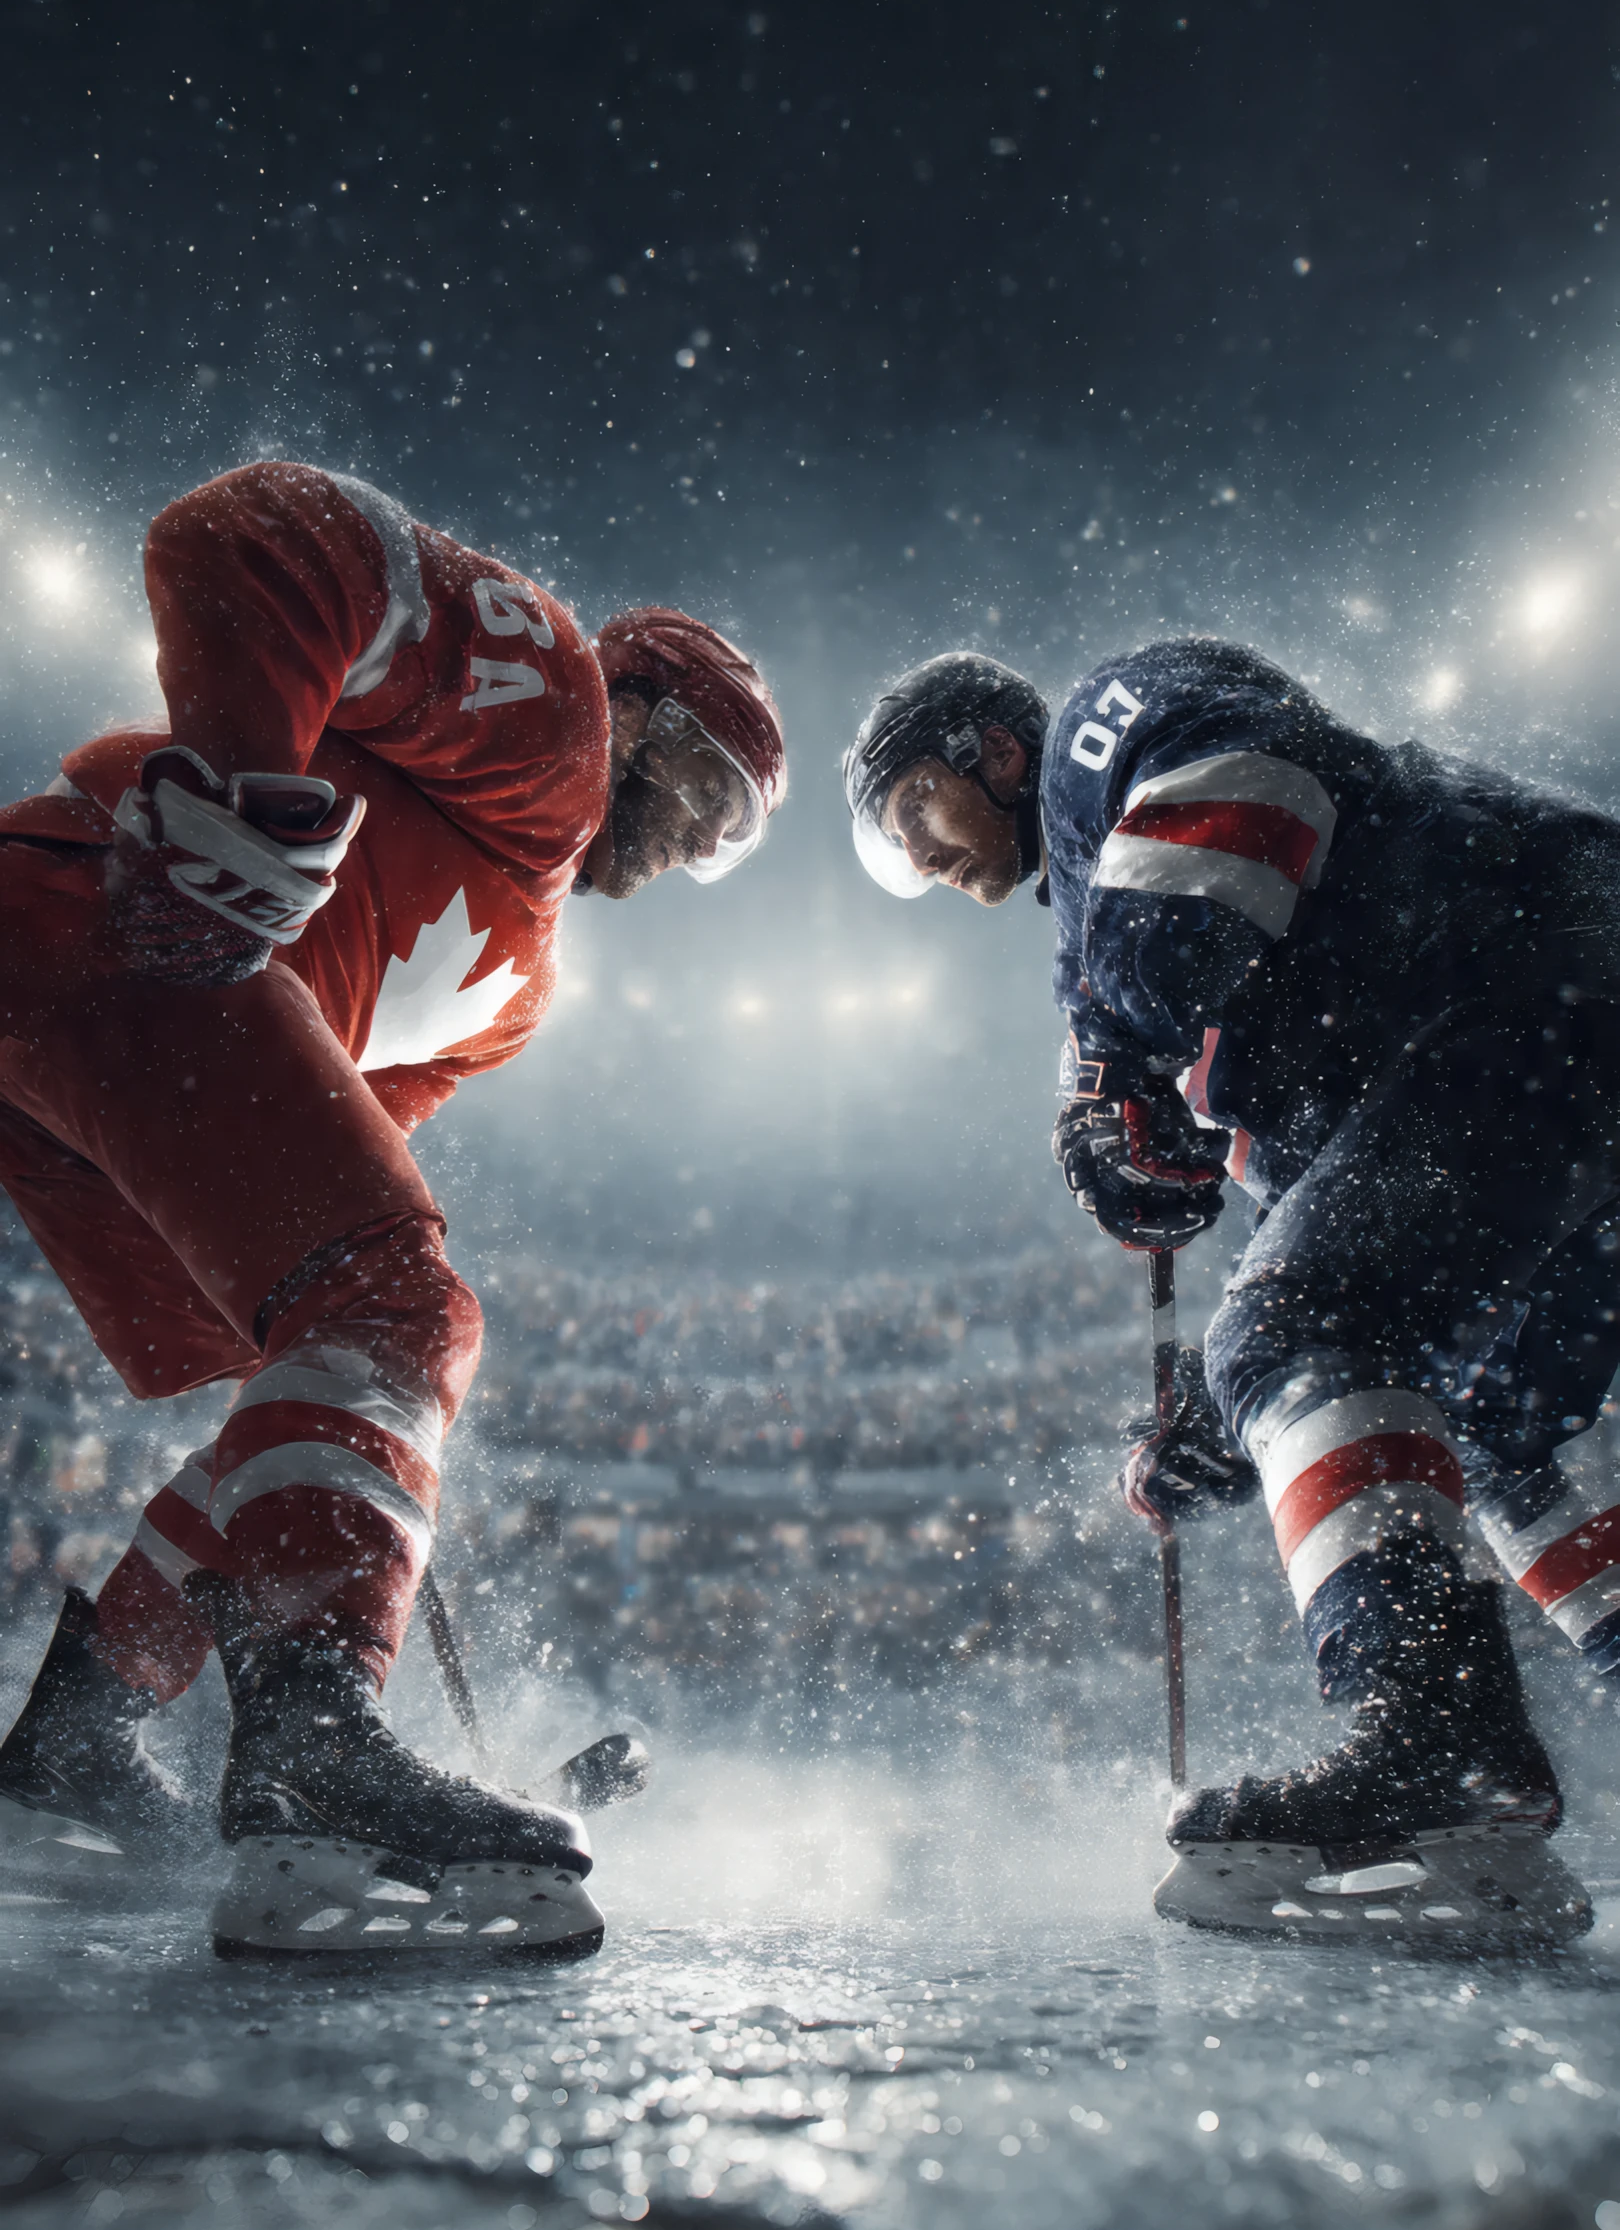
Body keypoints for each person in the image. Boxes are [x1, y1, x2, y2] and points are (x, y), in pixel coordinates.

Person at [0, 460, 784, 1955]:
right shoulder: (556, 719)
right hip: (112, 918)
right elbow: (264, 535)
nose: (692, 845)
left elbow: (363, 1126)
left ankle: (78, 1740)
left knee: (317, 1381)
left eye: (726, 837)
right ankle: (310, 1749)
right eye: (702, 793)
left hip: (91, 1000)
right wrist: (240, 793)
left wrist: (368, 1386)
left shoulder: (521, 993)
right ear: (646, 710)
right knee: (396, 1312)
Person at [842, 638, 1615, 1946]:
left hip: (1529, 986)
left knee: (1297, 1330)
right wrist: (1216, 1403)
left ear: (995, 749)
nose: (921, 860)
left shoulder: (1106, 732)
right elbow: (1335, 1220)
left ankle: (1444, 1754)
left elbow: (1264, 771)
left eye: (915, 805)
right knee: (1483, 1431)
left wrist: (1124, 1049)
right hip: (1547, 1035)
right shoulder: (1124, 953)